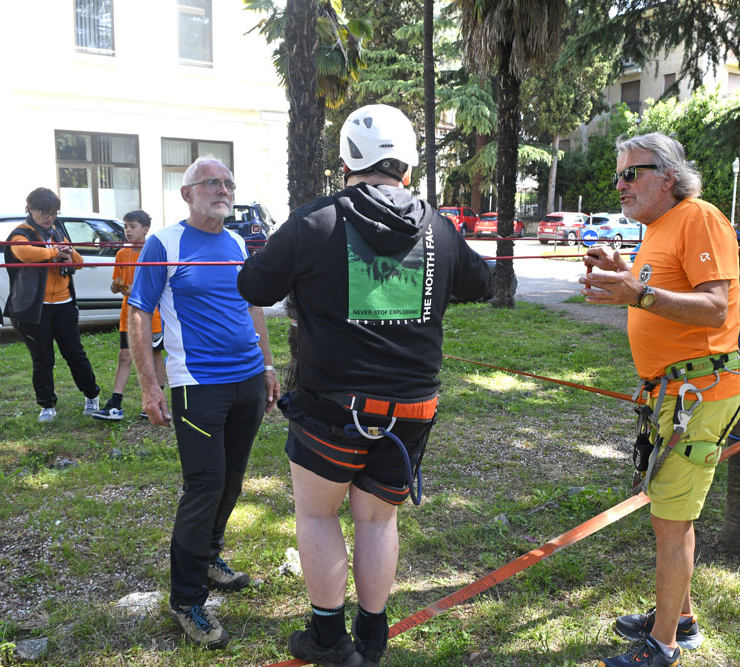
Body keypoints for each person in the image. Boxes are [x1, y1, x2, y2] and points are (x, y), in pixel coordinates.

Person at [238, 104, 493, 667]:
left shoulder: (313, 223)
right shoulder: (439, 229)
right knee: (378, 518)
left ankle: (328, 638)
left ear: (347, 159)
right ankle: (372, 638)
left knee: (318, 514)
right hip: (412, 410)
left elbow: (252, 284)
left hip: (335, 408)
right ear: (408, 163)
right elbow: (482, 283)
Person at [580, 133, 740, 667]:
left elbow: (715, 307)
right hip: (674, 394)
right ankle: (682, 620)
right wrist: (623, 271)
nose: (620, 185)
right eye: (618, 175)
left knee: (670, 523)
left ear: (668, 175)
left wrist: (639, 293)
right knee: (672, 514)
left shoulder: (699, 217)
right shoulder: (657, 228)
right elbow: (651, 291)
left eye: (632, 173)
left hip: (700, 393)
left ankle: (664, 646)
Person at [126, 157, 281, 649]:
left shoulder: (236, 243)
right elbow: (138, 313)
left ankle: (211, 557)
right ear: (187, 193)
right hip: (197, 385)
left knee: (232, 479)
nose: (223, 189)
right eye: (212, 182)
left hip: (248, 381)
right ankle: (186, 599)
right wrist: (149, 387)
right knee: (205, 486)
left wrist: (270, 364)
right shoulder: (163, 243)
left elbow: (252, 305)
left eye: (229, 183)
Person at [5, 187, 100, 422]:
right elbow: (24, 252)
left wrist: (68, 254)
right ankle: (46, 405)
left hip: (64, 304)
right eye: (44, 213)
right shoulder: (20, 233)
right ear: (30, 209)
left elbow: (78, 262)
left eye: (53, 213)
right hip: (35, 308)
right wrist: (54, 253)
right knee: (43, 358)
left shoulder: (56, 232)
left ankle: (91, 395)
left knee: (75, 353)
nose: (49, 218)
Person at [91, 210, 166, 421]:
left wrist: (136, 289)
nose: (128, 231)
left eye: (132, 226)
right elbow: (119, 283)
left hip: (152, 316)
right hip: (128, 315)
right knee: (125, 356)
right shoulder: (121, 255)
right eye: (126, 227)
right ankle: (115, 403)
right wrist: (117, 287)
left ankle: (157, 398)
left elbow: (160, 285)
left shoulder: (154, 252)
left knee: (155, 355)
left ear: (145, 229)